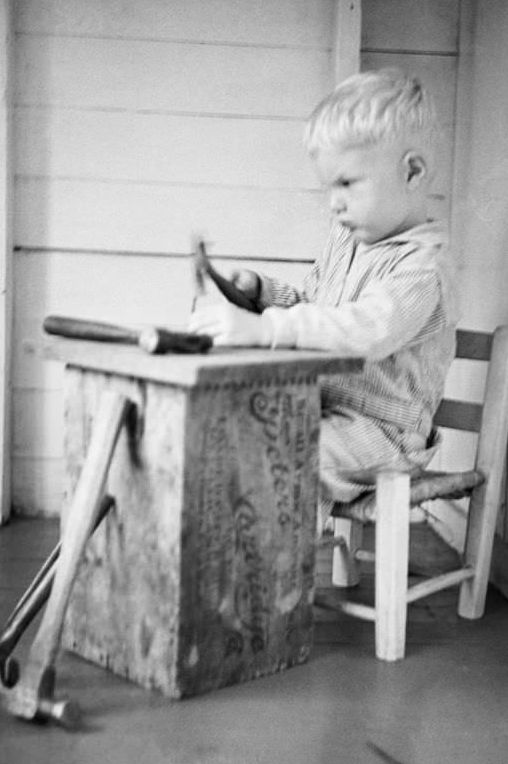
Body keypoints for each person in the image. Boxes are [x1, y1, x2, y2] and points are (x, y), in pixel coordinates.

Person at [188, 68, 458, 523]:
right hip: (329, 410)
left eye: (347, 184)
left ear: (412, 172)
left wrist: (265, 329)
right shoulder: (346, 242)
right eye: (328, 187)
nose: (334, 202)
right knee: (240, 434)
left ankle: (272, 579)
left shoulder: (422, 267)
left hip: (385, 434)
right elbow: (314, 309)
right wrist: (263, 296)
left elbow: (363, 330)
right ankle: (243, 560)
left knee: (286, 457)